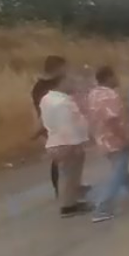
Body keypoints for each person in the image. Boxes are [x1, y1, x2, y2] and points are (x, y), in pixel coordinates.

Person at [32, 55, 90, 199]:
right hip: (53, 122)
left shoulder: (45, 85)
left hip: (55, 121)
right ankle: (63, 191)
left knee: (68, 159)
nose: (67, 70)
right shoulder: (45, 88)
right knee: (62, 159)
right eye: (64, 67)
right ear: (57, 69)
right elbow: (45, 109)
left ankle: (71, 188)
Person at [87, 66, 129, 223]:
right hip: (114, 138)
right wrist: (124, 136)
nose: (118, 79)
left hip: (102, 137)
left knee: (119, 167)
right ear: (108, 77)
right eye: (115, 76)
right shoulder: (109, 95)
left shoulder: (93, 93)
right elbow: (113, 119)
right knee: (118, 171)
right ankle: (102, 208)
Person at [39, 70, 93, 218]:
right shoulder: (62, 103)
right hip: (67, 143)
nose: (73, 84)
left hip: (56, 141)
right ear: (61, 82)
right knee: (71, 177)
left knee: (68, 176)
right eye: (70, 81)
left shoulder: (47, 98)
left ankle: (71, 202)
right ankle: (69, 206)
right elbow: (67, 127)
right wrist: (75, 146)